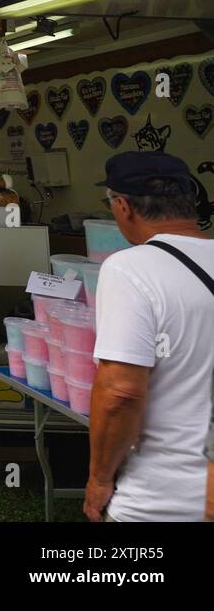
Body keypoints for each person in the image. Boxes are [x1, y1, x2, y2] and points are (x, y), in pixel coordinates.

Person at [84, 152, 214, 522]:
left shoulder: (129, 269)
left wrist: (98, 480)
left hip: (163, 499)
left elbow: (120, 392)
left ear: (123, 206)